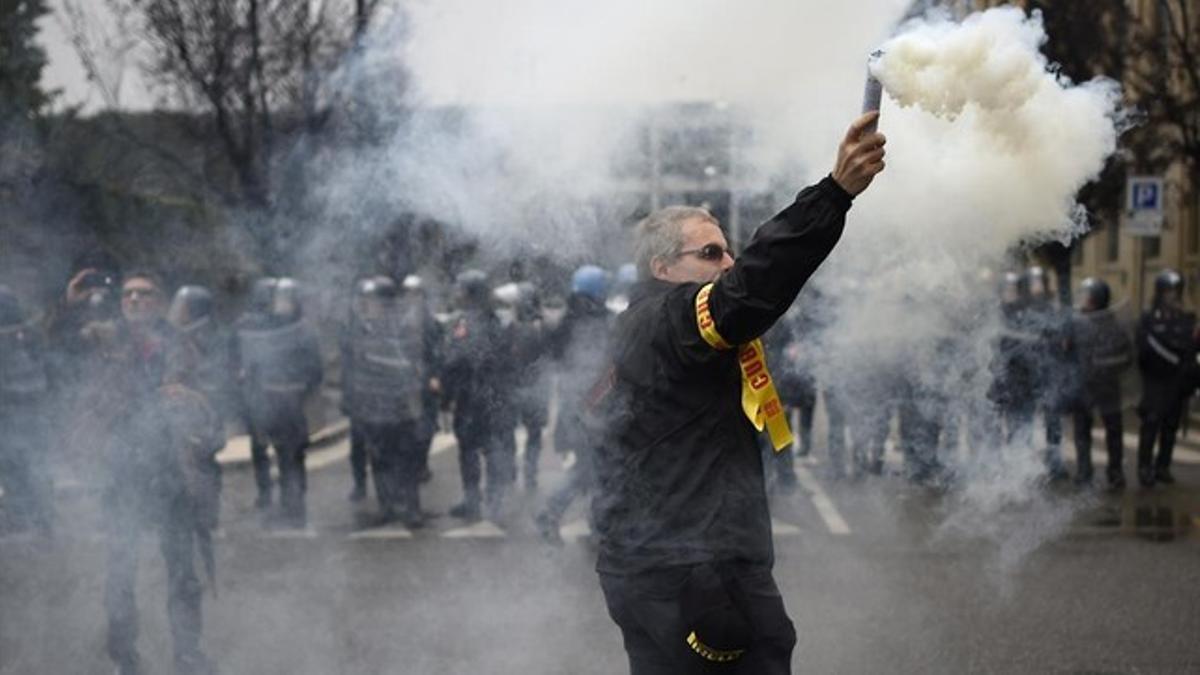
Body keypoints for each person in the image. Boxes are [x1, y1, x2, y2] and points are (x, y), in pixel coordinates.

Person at [591, 112, 885, 674]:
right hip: (696, 572)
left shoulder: (637, 324)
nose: (726, 264)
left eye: (726, 252)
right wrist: (835, 193)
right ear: (661, 267)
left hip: (653, 567)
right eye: (710, 254)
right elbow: (749, 289)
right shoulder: (669, 319)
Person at [88, 271, 218, 675]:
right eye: (128, 294)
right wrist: (68, 306)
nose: (134, 300)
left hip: (172, 474)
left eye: (144, 294)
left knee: (183, 573)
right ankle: (125, 658)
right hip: (123, 474)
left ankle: (188, 653)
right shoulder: (104, 342)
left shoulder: (184, 347)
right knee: (120, 574)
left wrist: (193, 413)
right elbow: (51, 350)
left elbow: (214, 411)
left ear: (160, 302)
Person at [340, 276, 439, 527]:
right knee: (379, 458)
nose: (367, 305)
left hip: (400, 404)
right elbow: (351, 366)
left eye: (371, 301)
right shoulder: (359, 328)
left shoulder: (405, 327)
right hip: (372, 405)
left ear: (384, 302)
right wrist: (351, 398)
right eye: (365, 300)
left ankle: (412, 508)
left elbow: (417, 362)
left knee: (406, 458)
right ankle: (387, 506)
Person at [235, 277, 323, 526]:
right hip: (263, 402)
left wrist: (299, 389)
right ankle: (271, 496)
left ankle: (294, 503)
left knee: (291, 454)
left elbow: (314, 369)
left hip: (290, 402)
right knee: (266, 450)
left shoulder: (302, 329)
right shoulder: (253, 328)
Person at [535, 264, 613, 544]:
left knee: (594, 471)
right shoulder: (589, 321)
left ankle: (593, 527)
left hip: (582, 407)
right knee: (592, 472)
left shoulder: (569, 320)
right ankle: (559, 517)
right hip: (590, 409)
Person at [443, 269, 516, 523]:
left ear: (470, 292)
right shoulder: (496, 321)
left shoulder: (468, 324)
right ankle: (486, 501)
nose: (457, 293)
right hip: (489, 397)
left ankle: (477, 501)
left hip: (474, 397)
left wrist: (446, 390)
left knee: (474, 450)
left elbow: (456, 359)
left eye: (461, 288)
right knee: (485, 450)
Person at [1135, 269, 1197, 487]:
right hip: (1154, 381)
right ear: (1160, 292)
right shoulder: (1149, 318)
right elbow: (1142, 350)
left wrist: (1190, 378)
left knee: (1170, 427)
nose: (1172, 295)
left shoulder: (1187, 319)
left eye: (1176, 291)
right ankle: (1144, 467)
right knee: (1150, 425)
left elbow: (1191, 349)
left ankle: (1163, 467)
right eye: (1169, 291)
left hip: (1176, 383)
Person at [0, 287, 54, 533]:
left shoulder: (19, 343)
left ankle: (33, 519)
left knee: (27, 469)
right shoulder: (26, 339)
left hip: (21, 421)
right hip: (24, 421)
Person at [1069, 277, 1132, 489]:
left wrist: (1104, 367)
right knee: (1081, 431)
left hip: (1107, 386)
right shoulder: (1076, 323)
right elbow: (1066, 353)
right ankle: (1084, 471)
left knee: (1113, 431)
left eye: (1086, 295)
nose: (1082, 299)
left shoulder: (1113, 324)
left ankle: (1115, 472)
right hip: (1083, 386)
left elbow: (1126, 356)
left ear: (1097, 298)